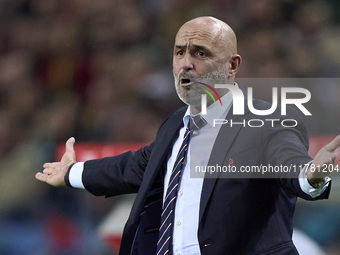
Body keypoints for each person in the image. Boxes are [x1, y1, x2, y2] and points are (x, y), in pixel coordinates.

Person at [36, 16, 340, 255]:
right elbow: (132, 167)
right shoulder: (174, 126)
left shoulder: (268, 120)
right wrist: (73, 172)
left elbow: (290, 164)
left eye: (200, 53)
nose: (186, 63)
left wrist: (311, 175)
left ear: (232, 66)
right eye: (179, 52)